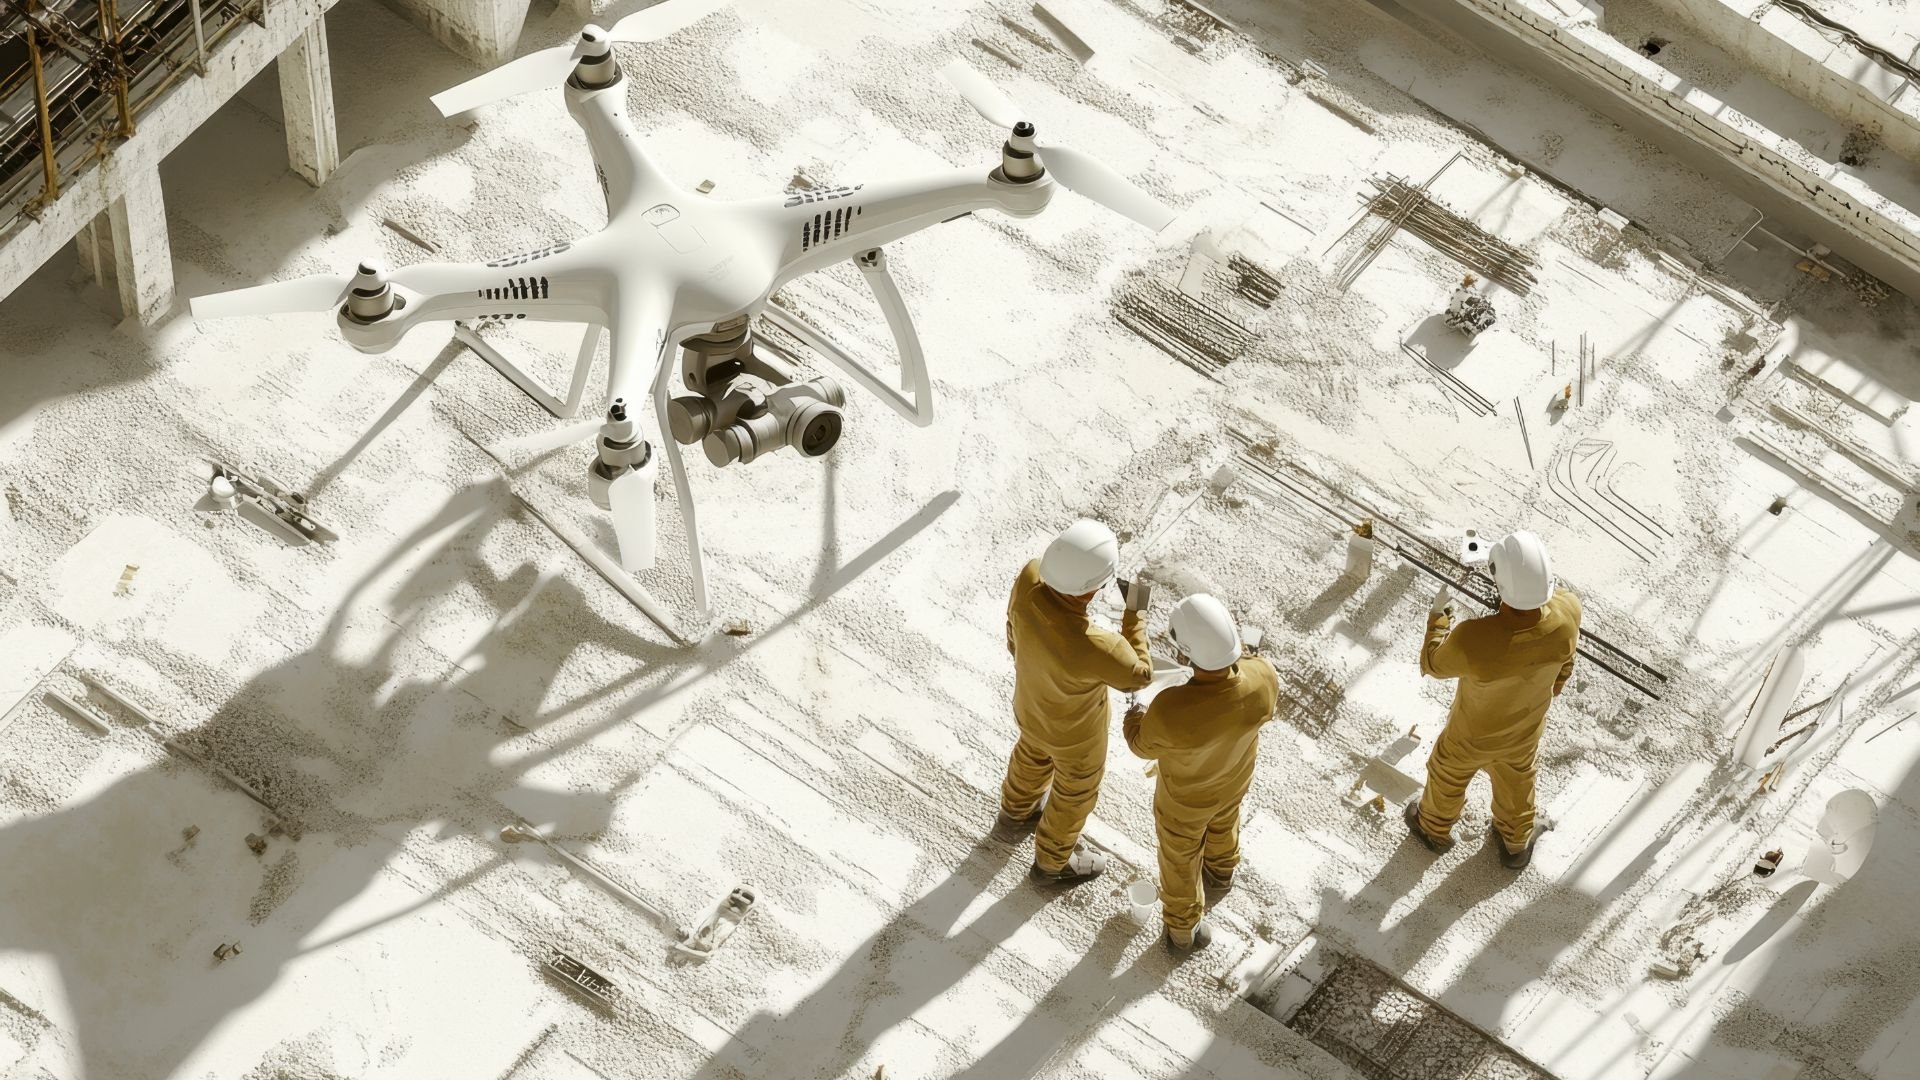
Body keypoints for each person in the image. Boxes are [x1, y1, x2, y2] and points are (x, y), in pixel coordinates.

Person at [1406, 530, 1580, 870]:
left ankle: (1433, 829)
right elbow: (1565, 668)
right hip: (1525, 731)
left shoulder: (1474, 637)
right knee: (1517, 786)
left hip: (1470, 735)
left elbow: (1431, 664)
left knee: (1447, 775)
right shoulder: (1568, 612)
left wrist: (1439, 618)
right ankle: (1515, 845)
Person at [999, 520, 1153, 885]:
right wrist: (1136, 612)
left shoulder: (1028, 577)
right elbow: (1141, 673)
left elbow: (1012, 634)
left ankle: (1014, 814)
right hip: (1076, 741)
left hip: (1029, 707)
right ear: (1095, 588)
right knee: (1073, 794)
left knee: (1031, 754)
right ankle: (1053, 862)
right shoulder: (1100, 646)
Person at [1125, 594, 1278, 956]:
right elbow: (1249, 675)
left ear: (1184, 654)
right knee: (1225, 824)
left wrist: (1134, 708)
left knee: (1179, 860)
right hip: (1235, 780)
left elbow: (1140, 745)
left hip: (1185, 804)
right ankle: (1221, 872)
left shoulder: (1171, 708)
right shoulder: (1264, 676)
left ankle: (1183, 931)